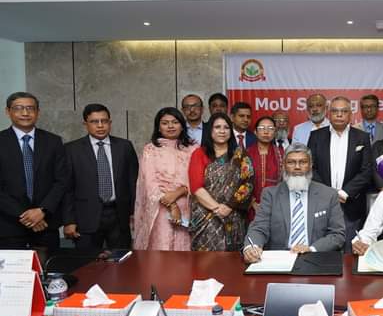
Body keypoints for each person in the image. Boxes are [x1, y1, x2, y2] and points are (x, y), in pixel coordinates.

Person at [243, 143, 345, 262]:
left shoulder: (328, 194)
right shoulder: (270, 194)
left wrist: (311, 249)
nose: (297, 167)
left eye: (303, 162)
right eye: (291, 162)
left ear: (311, 165)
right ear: (284, 166)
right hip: (279, 260)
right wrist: (251, 247)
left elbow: (337, 234)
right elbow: (259, 227)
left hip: (316, 257)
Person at [63, 104, 138, 250]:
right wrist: (68, 221)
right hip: (85, 217)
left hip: (119, 215)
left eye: (104, 121)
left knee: (122, 262)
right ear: (85, 124)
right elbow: (67, 188)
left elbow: (133, 182)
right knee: (87, 265)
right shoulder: (71, 149)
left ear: (110, 123)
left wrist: (134, 212)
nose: (100, 126)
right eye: (94, 122)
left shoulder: (124, 146)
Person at [0, 92, 68, 250]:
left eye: (30, 108)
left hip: (45, 225)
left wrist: (42, 210)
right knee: (13, 274)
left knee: (48, 272)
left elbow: (62, 180)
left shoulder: (53, 141)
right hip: (8, 227)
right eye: (19, 108)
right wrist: (26, 215)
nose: (25, 113)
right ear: (7, 111)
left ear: (38, 112)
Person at [308, 96, 372, 251]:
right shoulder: (316, 136)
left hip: (351, 204)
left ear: (350, 114)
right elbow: (310, 167)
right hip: (322, 203)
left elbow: (367, 170)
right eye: (335, 111)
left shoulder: (362, 137)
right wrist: (328, 193)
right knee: (322, 250)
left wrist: (345, 192)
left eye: (344, 111)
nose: (339, 114)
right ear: (328, 113)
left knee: (350, 253)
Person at [133, 107, 198, 251]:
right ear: (158, 127)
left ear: (182, 126)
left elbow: (198, 179)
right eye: (165, 123)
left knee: (183, 254)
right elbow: (150, 183)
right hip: (159, 209)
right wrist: (172, 206)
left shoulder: (193, 149)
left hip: (187, 208)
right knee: (161, 252)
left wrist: (178, 193)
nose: (170, 126)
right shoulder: (150, 150)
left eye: (175, 122)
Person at [188, 112, 254, 251]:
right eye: (217, 127)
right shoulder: (199, 154)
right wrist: (217, 208)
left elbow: (247, 183)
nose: (222, 131)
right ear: (210, 130)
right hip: (206, 215)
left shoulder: (240, 154)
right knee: (205, 263)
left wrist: (229, 206)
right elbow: (196, 187)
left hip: (233, 215)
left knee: (232, 263)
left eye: (226, 127)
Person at [246, 116, 284, 224]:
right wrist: (253, 203)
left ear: (275, 132)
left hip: (276, 206)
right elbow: (240, 182)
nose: (266, 132)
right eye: (262, 128)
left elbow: (285, 182)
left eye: (270, 128)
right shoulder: (245, 154)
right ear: (255, 132)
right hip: (251, 207)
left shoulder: (282, 154)